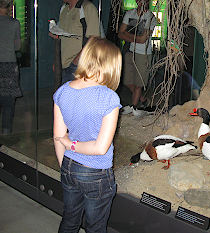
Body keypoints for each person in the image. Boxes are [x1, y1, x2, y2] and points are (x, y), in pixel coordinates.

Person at [53, 37, 122, 233]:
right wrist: (72, 145)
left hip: (68, 167)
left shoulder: (62, 91)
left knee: (69, 220)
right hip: (96, 173)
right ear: (111, 65)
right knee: (96, 227)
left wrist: (65, 166)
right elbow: (100, 148)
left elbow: (58, 136)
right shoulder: (109, 98)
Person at [118, 0, 157, 116]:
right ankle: (143, 100)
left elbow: (143, 39)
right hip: (130, 51)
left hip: (143, 53)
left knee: (139, 83)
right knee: (127, 81)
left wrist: (127, 35)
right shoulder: (130, 14)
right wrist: (135, 37)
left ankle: (134, 107)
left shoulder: (151, 17)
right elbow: (120, 33)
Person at [50, 0, 100, 84]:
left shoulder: (87, 7)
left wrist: (76, 60)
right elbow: (63, 35)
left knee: (77, 95)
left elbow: (94, 39)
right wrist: (57, 60)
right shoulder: (64, 8)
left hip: (78, 64)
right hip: (63, 63)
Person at [0, 0, 22, 135]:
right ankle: (6, 133)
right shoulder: (14, 23)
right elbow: (17, 46)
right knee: (8, 102)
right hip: (9, 64)